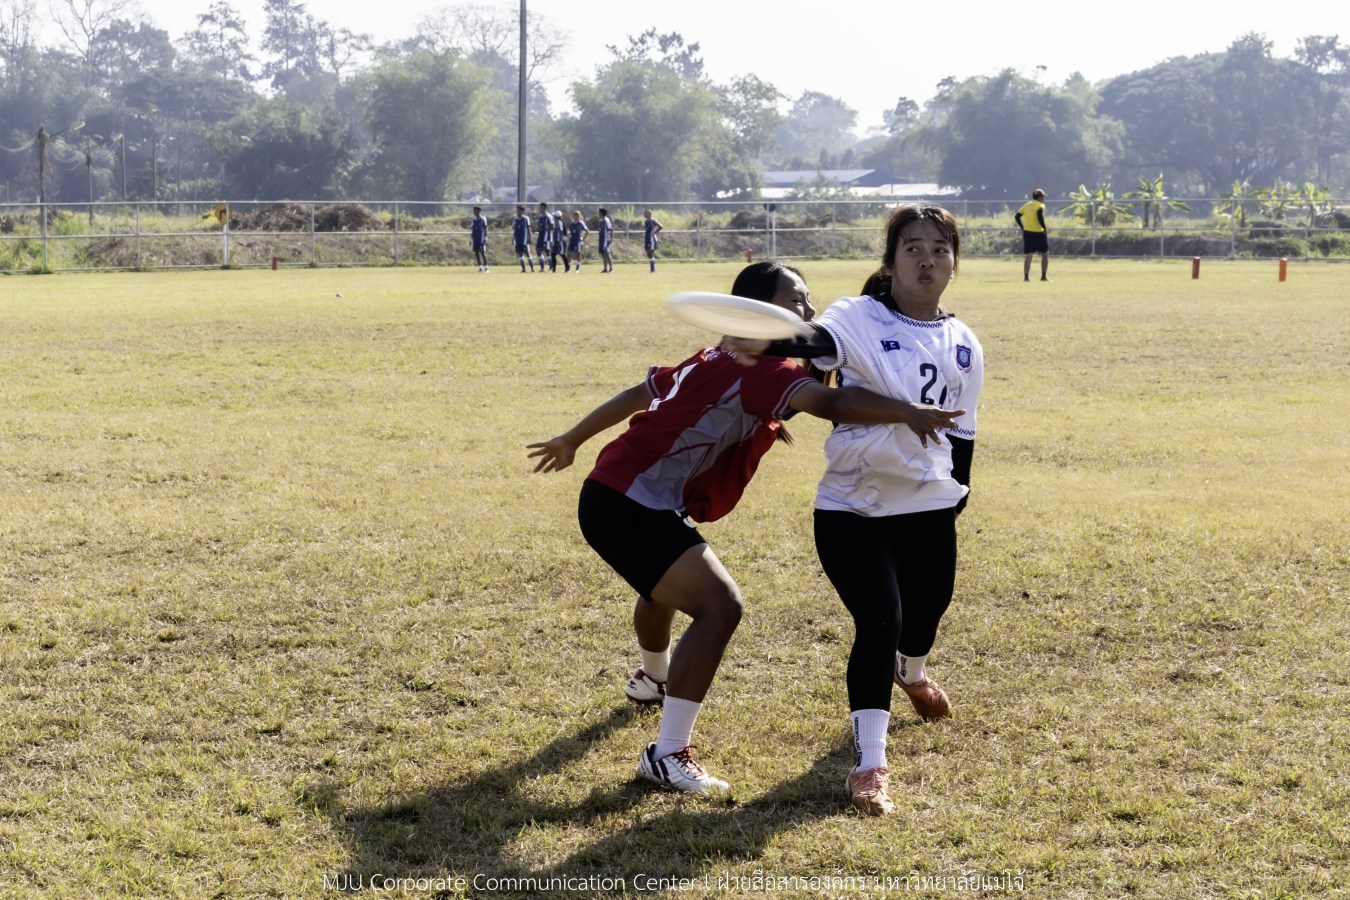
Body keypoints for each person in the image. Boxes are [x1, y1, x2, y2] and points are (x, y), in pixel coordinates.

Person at [527, 261, 965, 794]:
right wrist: (902, 410)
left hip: (622, 495)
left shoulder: (720, 353)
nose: (808, 310)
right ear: (754, 310)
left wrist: (573, 439)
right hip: (627, 504)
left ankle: (653, 678)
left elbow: (640, 392)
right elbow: (831, 403)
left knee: (664, 586)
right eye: (796, 300)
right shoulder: (761, 369)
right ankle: (666, 755)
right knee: (719, 606)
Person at [724, 205, 983, 817]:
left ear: (954, 264)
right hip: (852, 507)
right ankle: (871, 765)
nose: (928, 259)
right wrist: (758, 330)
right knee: (881, 620)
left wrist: (958, 497)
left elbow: (965, 434)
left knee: (927, 614)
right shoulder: (855, 315)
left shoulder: (965, 343)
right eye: (913, 247)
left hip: (927, 506)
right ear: (890, 260)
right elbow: (814, 344)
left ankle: (912, 673)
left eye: (940, 249)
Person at [1015, 188, 1049, 281]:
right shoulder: (1040, 205)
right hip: (1038, 232)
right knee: (1045, 254)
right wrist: (1044, 228)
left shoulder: (1026, 205)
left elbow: (1017, 216)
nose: (1044, 198)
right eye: (1043, 196)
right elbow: (1039, 216)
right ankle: (1043, 276)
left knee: (1029, 255)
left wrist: (1022, 227)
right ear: (1039, 197)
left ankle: (1026, 277)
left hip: (1027, 232)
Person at [512, 205, 534, 273]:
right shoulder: (515, 220)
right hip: (518, 240)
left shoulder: (525, 219)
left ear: (522, 211)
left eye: (519, 210)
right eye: (517, 210)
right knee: (520, 254)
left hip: (524, 240)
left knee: (527, 254)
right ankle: (524, 269)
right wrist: (513, 239)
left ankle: (532, 268)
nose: (517, 212)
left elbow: (528, 229)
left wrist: (530, 238)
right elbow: (514, 230)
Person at [642, 209, 663, 273]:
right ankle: (652, 267)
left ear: (649, 214)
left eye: (645, 213)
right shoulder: (646, 221)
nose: (644, 214)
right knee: (648, 254)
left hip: (652, 239)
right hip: (647, 238)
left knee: (651, 253)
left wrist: (654, 232)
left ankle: (652, 269)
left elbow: (661, 226)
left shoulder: (652, 220)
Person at [534, 202, 552, 273]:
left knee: (547, 251)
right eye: (539, 207)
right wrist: (535, 230)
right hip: (540, 236)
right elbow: (540, 227)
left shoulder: (549, 216)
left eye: (541, 207)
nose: (540, 209)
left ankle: (551, 268)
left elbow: (552, 226)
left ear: (545, 208)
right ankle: (542, 268)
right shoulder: (540, 217)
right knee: (538, 251)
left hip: (547, 237)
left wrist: (544, 230)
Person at [470, 206, 489, 273]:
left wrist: (486, 238)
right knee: (476, 253)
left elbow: (485, 229)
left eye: (475, 211)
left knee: (483, 252)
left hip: (482, 239)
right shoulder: (474, 220)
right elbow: (472, 230)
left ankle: (486, 268)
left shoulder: (483, 219)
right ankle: (480, 267)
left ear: (478, 211)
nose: (474, 212)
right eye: (473, 211)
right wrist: (471, 239)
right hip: (475, 239)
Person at [596, 208, 614, 273]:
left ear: (601, 213)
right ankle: (605, 268)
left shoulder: (606, 220)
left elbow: (610, 229)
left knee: (607, 253)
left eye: (599, 212)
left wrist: (611, 239)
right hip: (601, 239)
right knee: (603, 254)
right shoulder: (601, 221)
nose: (598, 214)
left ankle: (611, 268)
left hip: (606, 240)